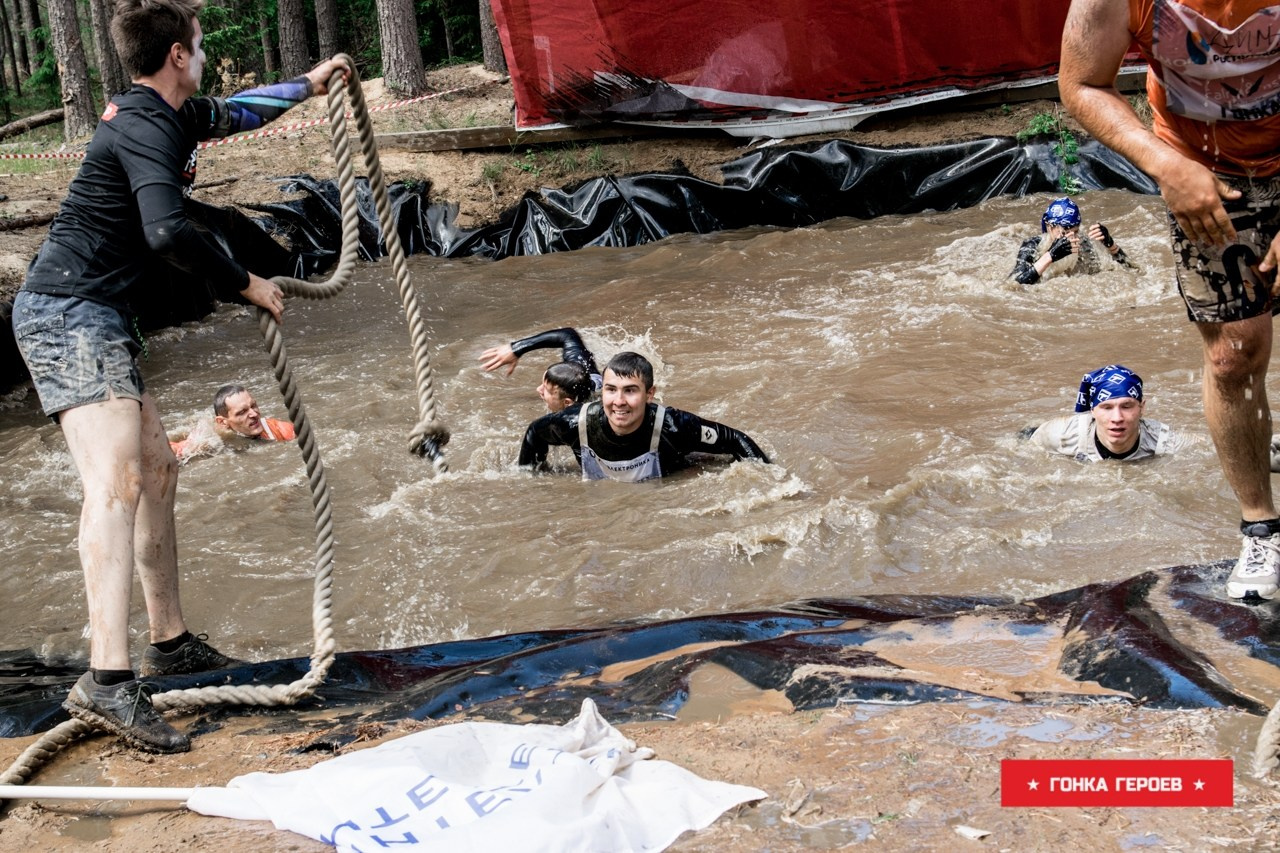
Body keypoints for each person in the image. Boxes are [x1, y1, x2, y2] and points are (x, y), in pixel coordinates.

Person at [8, 0, 347, 753]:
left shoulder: (172, 112)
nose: (205, 57)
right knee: (116, 485)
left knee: (159, 468)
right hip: (67, 312)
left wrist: (313, 83)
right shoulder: (144, 124)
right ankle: (106, 681)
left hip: (101, 314)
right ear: (175, 57)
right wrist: (246, 283)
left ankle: (170, 643)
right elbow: (166, 229)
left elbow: (237, 112)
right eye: (198, 46)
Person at [1060, 0, 1280, 601]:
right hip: (1201, 173)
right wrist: (1163, 165)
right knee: (1234, 356)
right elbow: (1080, 82)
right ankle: (1261, 527)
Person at [517, 351, 770, 481]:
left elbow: (735, 439)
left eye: (630, 391)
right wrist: (535, 478)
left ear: (650, 394)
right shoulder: (574, 423)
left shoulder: (673, 425)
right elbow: (533, 434)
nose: (619, 402)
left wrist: (768, 479)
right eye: (611, 390)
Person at [1028, 365, 1173, 462]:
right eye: (1106, 407)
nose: (1117, 418)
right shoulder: (1058, 435)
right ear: (1092, 410)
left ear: (1142, 408)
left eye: (1126, 406)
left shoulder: (1167, 443)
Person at [1010, 197, 1138, 284]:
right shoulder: (1032, 245)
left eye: (1076, 231)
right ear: (1050, 227)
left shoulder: (1082, 245)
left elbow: (1130, 270)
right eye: (1065, 232)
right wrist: (1050, 256)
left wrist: (1110, 244)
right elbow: (1014, 284)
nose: (1072, 237)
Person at [479, 326, 601, 413]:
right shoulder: (578, 370)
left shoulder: (599, 414)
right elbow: (568, 335)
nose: (538, 389)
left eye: (546, 390)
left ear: (567, 403)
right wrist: (516, 349)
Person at [169, 384, 295, 457]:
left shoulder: (280, 429)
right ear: (223, 422)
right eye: (242, 412)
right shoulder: (212, 437)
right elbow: (174, 450)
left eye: (253, 406)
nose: (254, 413)